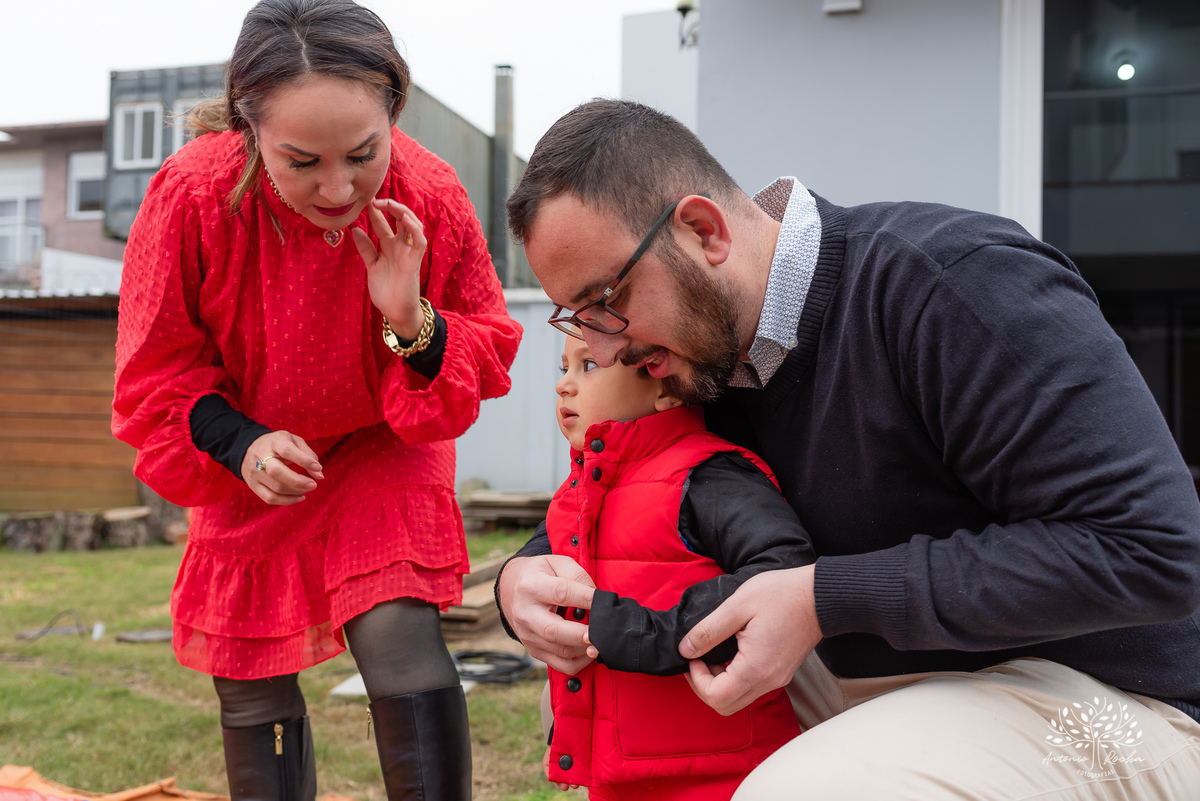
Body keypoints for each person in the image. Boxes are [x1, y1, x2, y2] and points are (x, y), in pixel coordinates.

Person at [496, 99, 1200, 798]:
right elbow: (636, 486)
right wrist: (522, 576)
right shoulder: (700, 357)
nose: (603, 350)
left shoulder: (951, 282)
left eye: (606, 300)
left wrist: (822, 598)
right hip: (883, 681)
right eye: (577, 318)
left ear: (704, 232)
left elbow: (1154, 550)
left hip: (1114, 705)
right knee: (620, 702)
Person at [111, 2, 522, 799]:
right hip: (252, 459)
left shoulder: (431, 195)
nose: (337, 188)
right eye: (300, 161)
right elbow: (156, 371)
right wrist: (243, 444)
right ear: (247, 127)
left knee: (398, 638)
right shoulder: (192, 196)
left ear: (394, 111)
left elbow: (481, 349)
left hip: (383, 444)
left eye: (363, 154)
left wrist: (411, 319)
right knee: (250, 682)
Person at [539, 332, 807, 800]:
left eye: (589, 365)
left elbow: (784, 572)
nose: (564, 384)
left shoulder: (708, 474)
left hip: (725, 769)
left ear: (665, 387)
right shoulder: (578, 493)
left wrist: (649, 636)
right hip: (622, 771)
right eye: (564, 368)